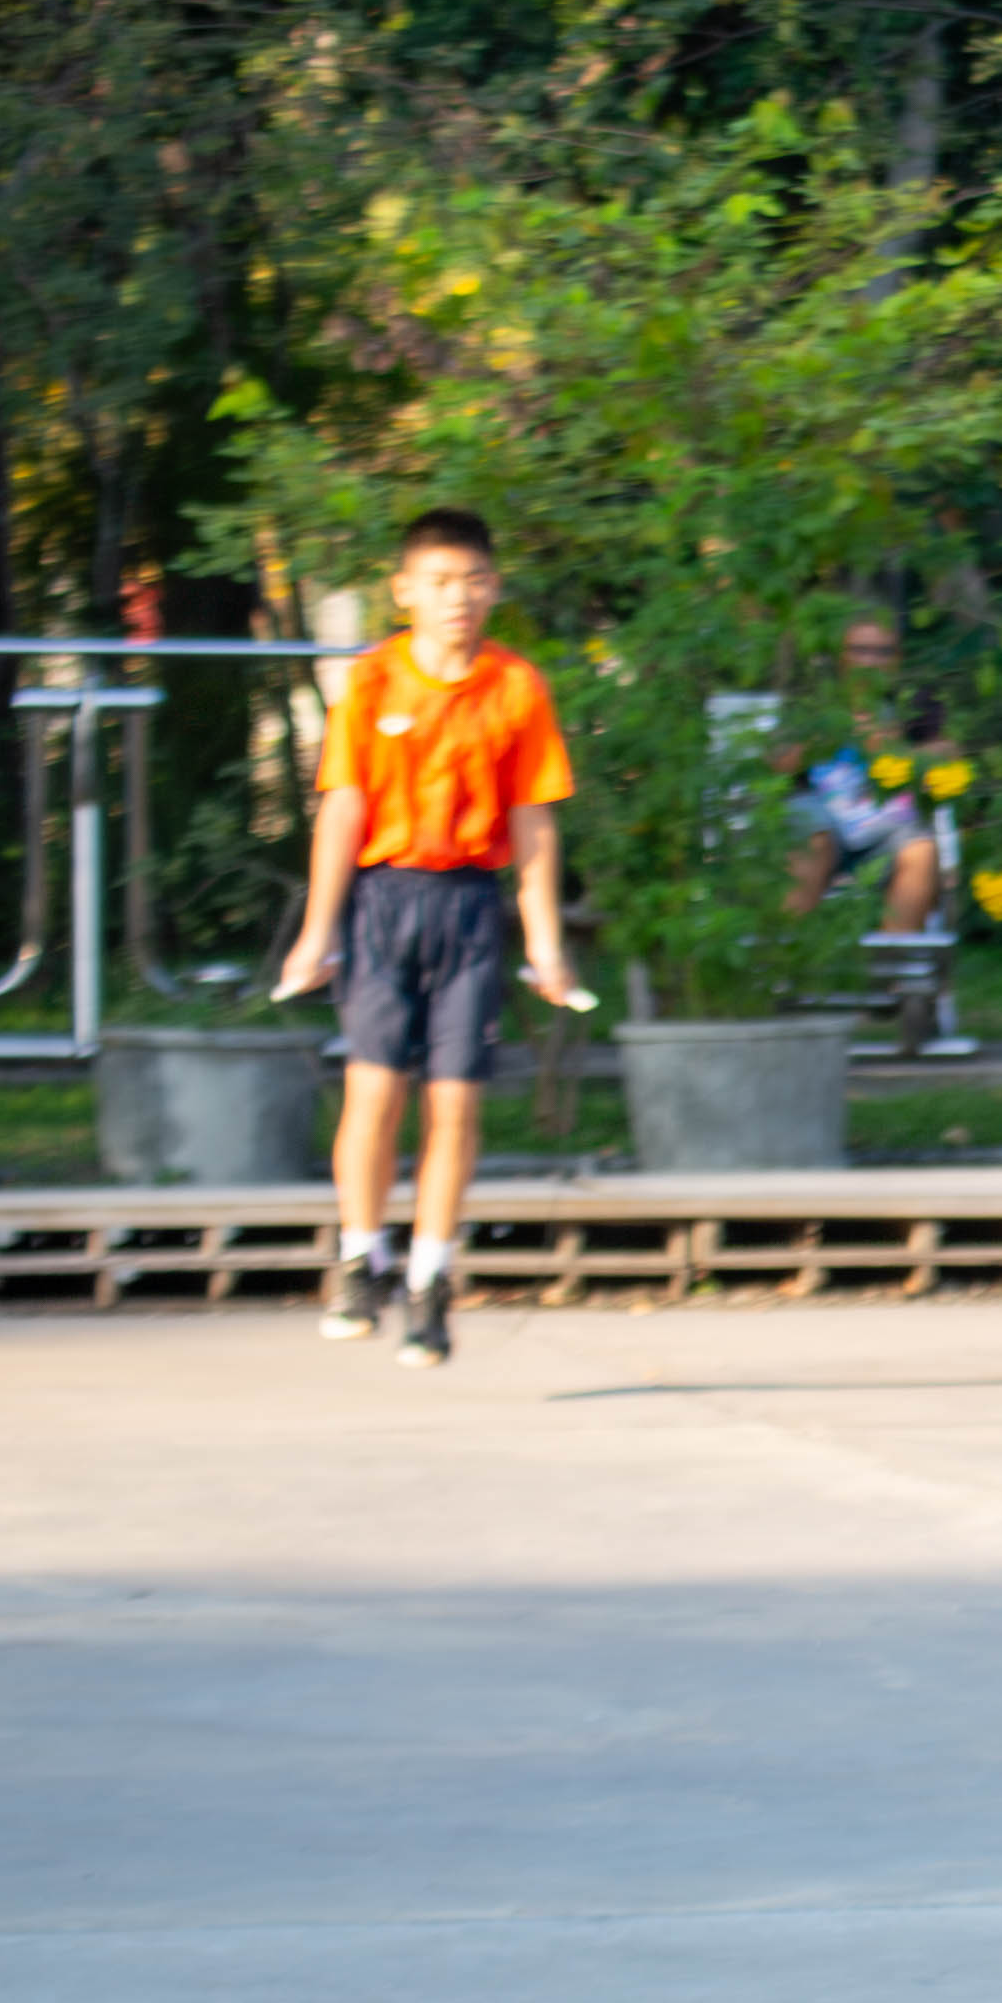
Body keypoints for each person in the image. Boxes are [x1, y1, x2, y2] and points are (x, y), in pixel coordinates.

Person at [269, 507, 582, 1370]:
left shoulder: (516, 686)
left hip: (469, 906)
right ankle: (359, 1256)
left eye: (474, 581)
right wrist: (316, 932)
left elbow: (534, 821)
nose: (458, 599)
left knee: (456, 1102)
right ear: (404, 590)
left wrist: (545, 942)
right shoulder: (372, 680)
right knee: (374, 1092)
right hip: (382, 903)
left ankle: (431, 1277)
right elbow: (342, 808)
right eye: (440, 582)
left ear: (495, 587)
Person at [780, 611, 948, 938]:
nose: (870, 662)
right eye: (859, 650)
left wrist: (896, 750)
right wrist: (822, 737)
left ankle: (897, 962)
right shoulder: (815, 698)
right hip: (820, 814)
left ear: (897, 658)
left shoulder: (912, 699)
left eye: (882, 652)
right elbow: (776, 761)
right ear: (840, 656)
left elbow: (947, 751)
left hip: (891, 821)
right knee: (811, 838)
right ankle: (788, 955)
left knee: (921, 851)